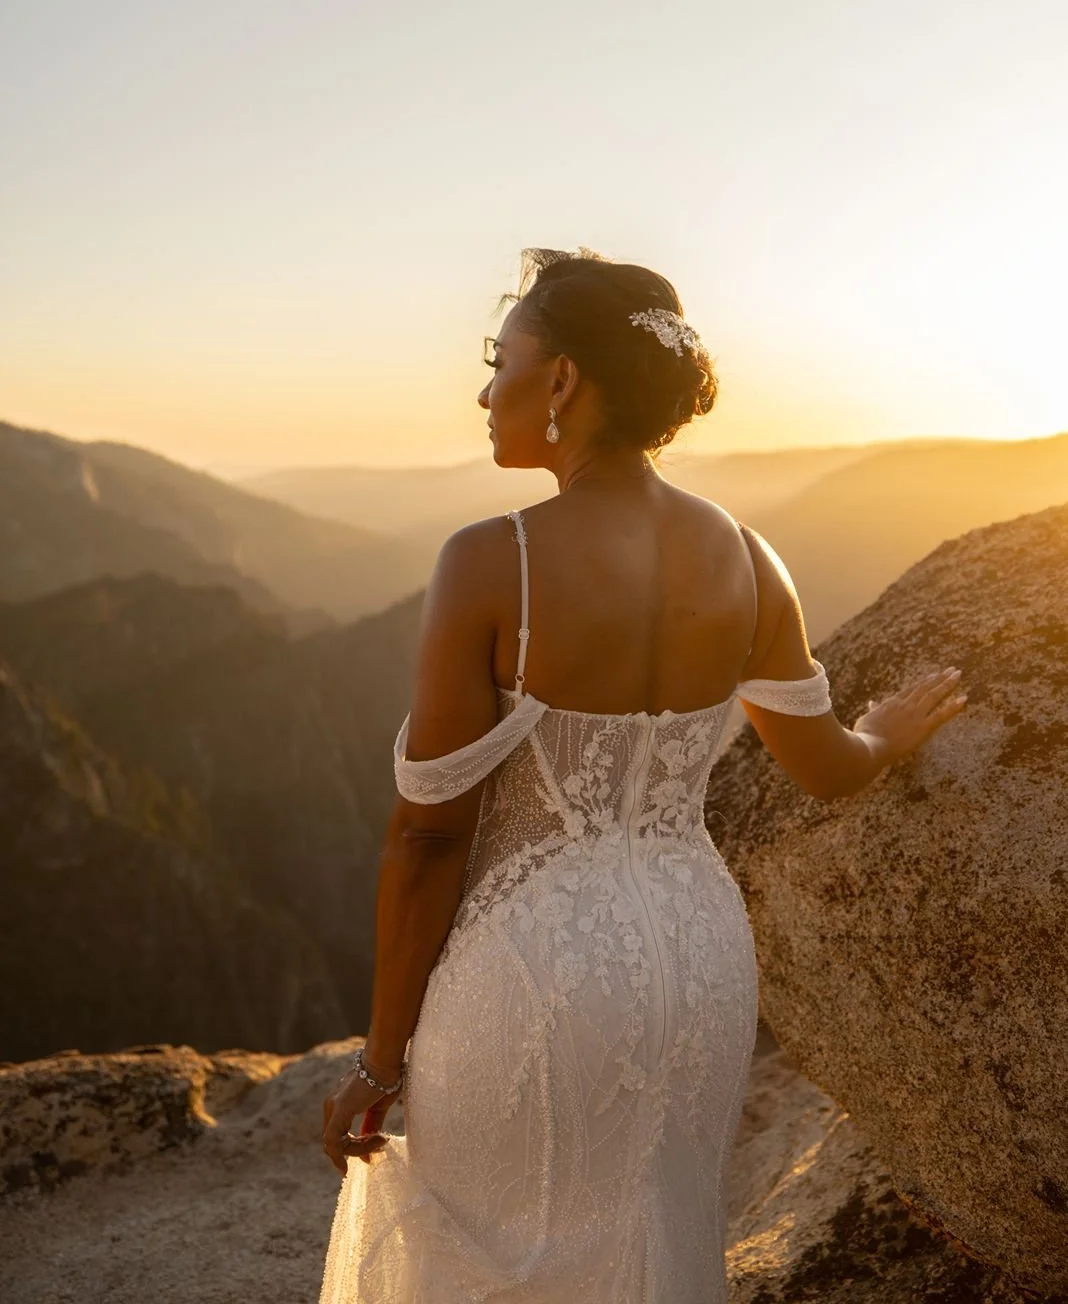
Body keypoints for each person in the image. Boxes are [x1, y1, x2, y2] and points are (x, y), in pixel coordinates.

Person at [317, 248, 967, 1303]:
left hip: (536, 977)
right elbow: (828, 765)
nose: (488, 389)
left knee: (491, 1261)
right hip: (699, 971)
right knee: (653, 1245)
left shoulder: (493, 561)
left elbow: (429, 837)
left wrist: (379, 1062)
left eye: (503, 358)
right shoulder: (754, 560)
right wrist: (886, 735)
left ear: (563, 380)